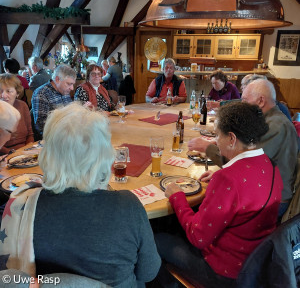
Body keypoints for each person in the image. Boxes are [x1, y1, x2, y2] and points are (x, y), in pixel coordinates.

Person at [0, 103, 161, 287]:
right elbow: (149, 272)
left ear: (48, 154)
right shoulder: (128, 205)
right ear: (104, 154)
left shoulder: (22, 206)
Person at [155, 102, 283, 288]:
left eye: (217, 135)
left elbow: (198, 237)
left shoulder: (228, 179)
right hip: (256, 265)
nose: (215, 141)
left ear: (232, 138)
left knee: (155, 240)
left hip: (224, 274)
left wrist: (177, 196)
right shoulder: (270, 165)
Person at [189, 79, 298, 218]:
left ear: (261, 101)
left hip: (271, 203)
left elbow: (244, 165)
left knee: (207, 206)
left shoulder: (275, 126)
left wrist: (207, 148)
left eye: (245, 100)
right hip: (263, 192)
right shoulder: (267, 119)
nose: (241, 104)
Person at [31, 64, 76, 138]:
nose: (72, 88)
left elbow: (70, 113)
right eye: (69, 84)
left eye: (72, 84)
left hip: (68, 133)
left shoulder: (64, 91)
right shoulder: (42, 93)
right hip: (53, 138)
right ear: (57, 79)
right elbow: (41, 126)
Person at [0, 74, 33, 154]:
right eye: (0, 91)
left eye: (8, 91)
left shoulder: (22, 106)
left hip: (25, 151)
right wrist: (13, 153)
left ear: (17, 93)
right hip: (5, 154)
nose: (3, 95)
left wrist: (28, 149)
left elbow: (30, 134)